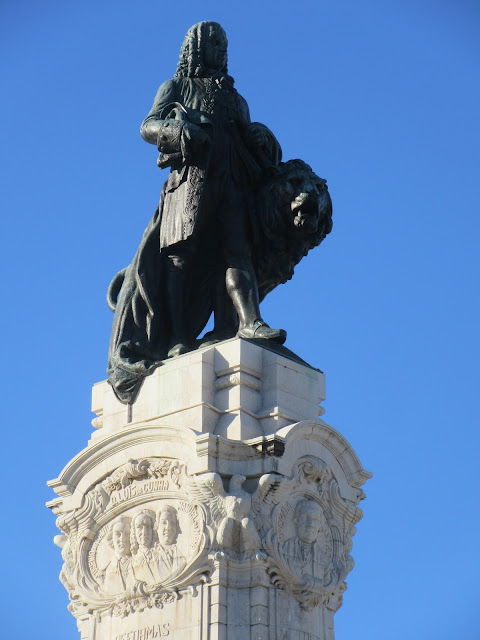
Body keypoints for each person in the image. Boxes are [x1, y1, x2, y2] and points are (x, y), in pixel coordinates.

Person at [107, 21, 286, 403]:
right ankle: (178, 337)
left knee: (238, 253)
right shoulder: (176, 87)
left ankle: (248, 322)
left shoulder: (236, 100)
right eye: (214, 42)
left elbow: (248, 139)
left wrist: (260, 136)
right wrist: (178, 131)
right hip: (191, 182)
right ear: (197, 46)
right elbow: (148, 126)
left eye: (224, 44)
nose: (221, 49)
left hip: (232, 181)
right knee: (180, 260)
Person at [280, 499, 327, 589]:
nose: (310, 524)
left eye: (315, 519)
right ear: (296, 520)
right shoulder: (284, 548)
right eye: (306, 517)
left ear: (320, 525)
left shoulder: (324, 560)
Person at [102, 516, 134, 594]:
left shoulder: (139, 561)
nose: (122, 539)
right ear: (111, 538)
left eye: (127, 534)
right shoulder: (105, 572)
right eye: (118, 534)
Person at [130, 509, 163, 584]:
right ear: (134, 532)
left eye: (148, 526)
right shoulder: (131, 562)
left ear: (153, 530)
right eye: (139, 527)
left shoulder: (160, 555)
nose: (144, 532)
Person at [155, 506, 186, 579]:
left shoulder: (181, 553)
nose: (168, 527)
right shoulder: (149, 556)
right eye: (164, 523)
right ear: (157, 527)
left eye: (172, 523)